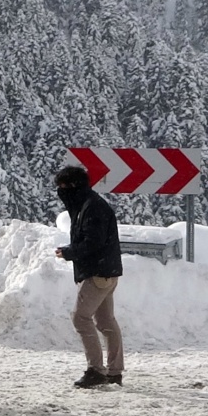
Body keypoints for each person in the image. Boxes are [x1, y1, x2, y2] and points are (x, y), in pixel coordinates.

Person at [53, 164, 124, 388]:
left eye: (63, 187)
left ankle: (96, 370)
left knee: (80, 317)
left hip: (98, 273)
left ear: (73, 186)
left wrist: (69, 253)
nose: (60, 192)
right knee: (105, 321)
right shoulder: (89, 204)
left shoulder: (91, 208)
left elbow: (93, 242)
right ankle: (114, 371)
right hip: (106, 272)